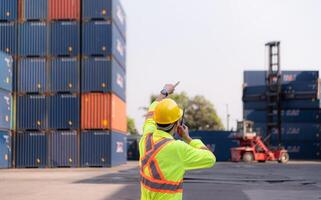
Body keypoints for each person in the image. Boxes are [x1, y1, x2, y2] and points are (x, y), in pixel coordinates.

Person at [139, 83, 216, 200]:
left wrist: (164, 91)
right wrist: (188, 139)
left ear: (156, 120)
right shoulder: (177, 148)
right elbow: (210, 158)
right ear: (176, 124)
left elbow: (151, 110)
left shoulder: (146, 138)